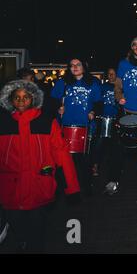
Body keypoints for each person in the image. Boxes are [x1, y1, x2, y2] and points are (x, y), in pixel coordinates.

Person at [0, 80, 80, 253]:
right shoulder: (4, 123)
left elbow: (61, 153)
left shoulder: (46, 122)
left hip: (39, 189)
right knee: (18, 227)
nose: (21, 101)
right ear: (10, 100)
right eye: (17, 97)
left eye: (25, 97)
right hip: (11, 191)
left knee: (37, 233)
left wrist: (71, 186)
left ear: (33, 99)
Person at [108, 37, 137, 195]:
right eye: (135, 44)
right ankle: (113, 181)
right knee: (117, 148)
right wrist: (118, 96)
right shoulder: (123, 64)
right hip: (125, 112)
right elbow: (118, 86)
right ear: (132, 47)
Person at [50, 58, 102, 196]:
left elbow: (98, 103)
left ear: (84, 67)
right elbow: (53, 100)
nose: (74, 67)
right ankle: (68, 188)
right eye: (71, 65)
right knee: (66, 160)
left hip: (85, 126)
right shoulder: (63, 82)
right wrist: (58, 107)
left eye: (78, 64)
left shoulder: (93, 83)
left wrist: (93, 111)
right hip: (66, 125)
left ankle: (86, 187)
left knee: (85, 160)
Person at [91, 68, 119, 177]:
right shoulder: (102, 87)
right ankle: (95, 165)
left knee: (114, 146)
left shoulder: (120, 87)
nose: (111, 76)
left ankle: (114, 168)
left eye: (113, 74)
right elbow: (96, 101)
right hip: (103, 118)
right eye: (109, 74)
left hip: (115, 119)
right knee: (99, 144)